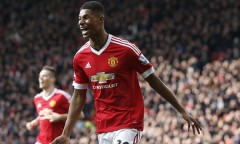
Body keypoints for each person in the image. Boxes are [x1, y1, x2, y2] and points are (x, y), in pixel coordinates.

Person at [52, 1, 202, 144]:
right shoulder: (80, 57)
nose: (81, 22)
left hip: (129, 122)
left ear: (100, 19)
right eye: (79, 19)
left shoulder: (126, 49)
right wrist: (66, 134)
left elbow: (154, 80)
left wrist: (181, 110)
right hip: (103, 126)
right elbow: (78, 96)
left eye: (86, 17)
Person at [26, 65, 73, 144]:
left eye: (44, 76)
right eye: (39, 76)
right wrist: (34, 122)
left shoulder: (62, 96)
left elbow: (80, 114)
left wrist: (60, 117)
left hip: (58, 141)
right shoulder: (37, 98)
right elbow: (42, 115)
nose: (40, 78)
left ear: (52, 79)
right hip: (40, 141)